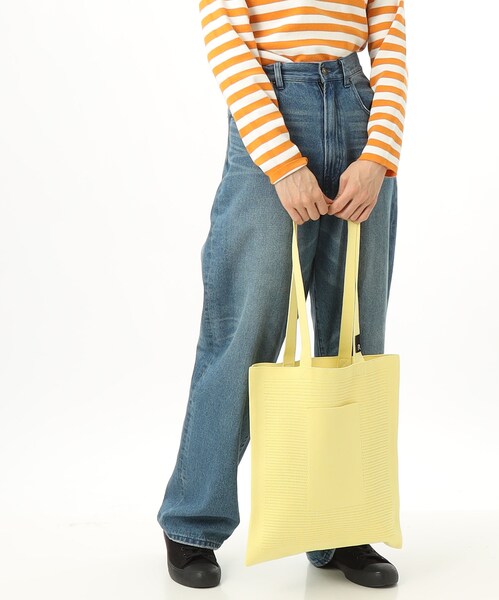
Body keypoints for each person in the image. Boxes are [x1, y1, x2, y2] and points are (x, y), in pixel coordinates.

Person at [156, 0, 408, 589]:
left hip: (358, 110)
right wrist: (280, 161)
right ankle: (193, 522)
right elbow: (226, 34)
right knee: (245, 332)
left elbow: (391, 33)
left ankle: (344, 525)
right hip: (271, 107)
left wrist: (379, 154)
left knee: (355, 335)